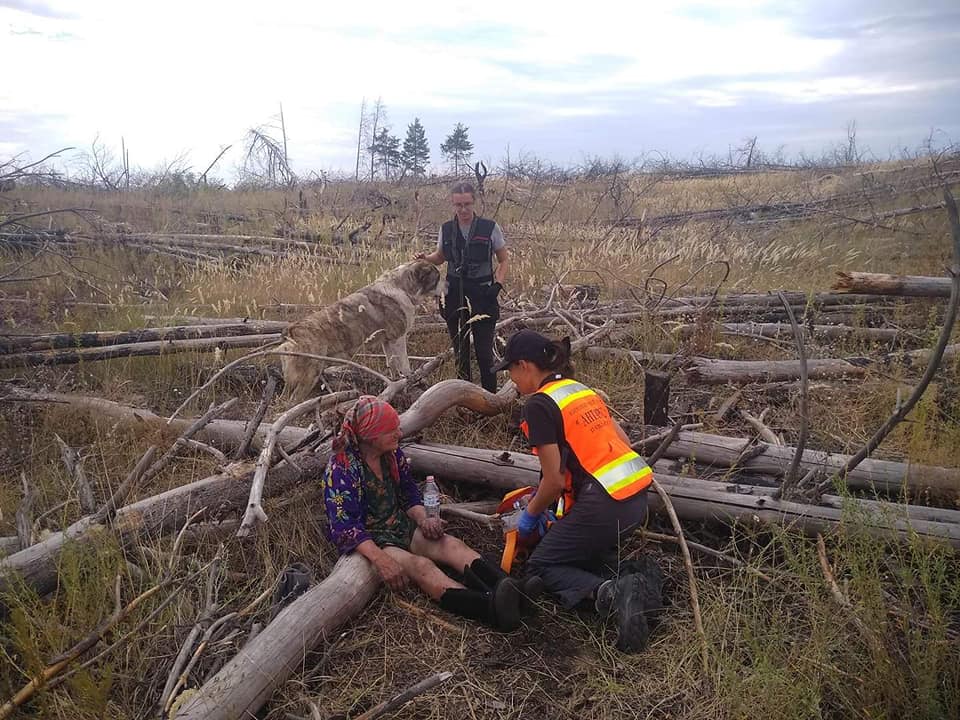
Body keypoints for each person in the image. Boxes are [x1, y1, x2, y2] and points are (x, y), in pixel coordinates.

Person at [493, 330, 664, 652]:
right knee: (576, 551)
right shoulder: (579, 390)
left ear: (525, 366)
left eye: (510, 371)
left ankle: (612, 594)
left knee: (541, 565)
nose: (512, 380)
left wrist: (530, 515)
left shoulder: (539, 405)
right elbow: (623, 445)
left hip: (605, 506)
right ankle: (639, 582)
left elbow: (554, 480)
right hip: (637, 499)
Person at [322, 395, 539, 630]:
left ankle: (512, 589)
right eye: (391, 430)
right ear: (371, 437)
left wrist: (423, 519)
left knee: (452, 545)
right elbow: (345, 528)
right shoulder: (342, 469)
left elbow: (408, 494)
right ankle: (488, 608)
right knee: (421, 567)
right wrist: (382, 560)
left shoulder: (392, 455)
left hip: (399, 524)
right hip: (373, 539)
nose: (399, 433)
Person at [416, 181, 509, 393]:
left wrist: (498, 284)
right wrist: (425, 258)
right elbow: (439, 257)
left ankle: (490, 399)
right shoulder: (446, 229)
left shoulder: (490, 228)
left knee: (484, 353)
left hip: (483, 293)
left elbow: (504, 259)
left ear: (474, 202)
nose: (463, 209)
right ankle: (463, 399)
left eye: (467, 204)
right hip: (453, 293)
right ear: (452, 204)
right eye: (458, 205)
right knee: (461, 351)